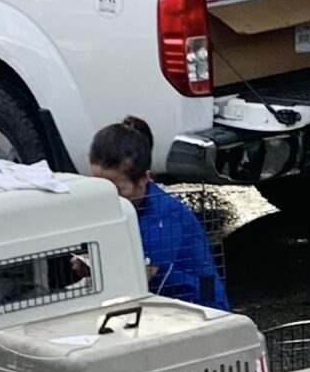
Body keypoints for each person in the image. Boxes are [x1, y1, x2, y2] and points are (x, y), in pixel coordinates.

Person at [89, 115, 227, 310]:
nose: (108, 199)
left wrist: (95, 268)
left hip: (199, 307)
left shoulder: (165, 214)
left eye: (118, 191)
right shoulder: (121, 206)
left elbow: (139, 275)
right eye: (99, 188)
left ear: (144, 179)